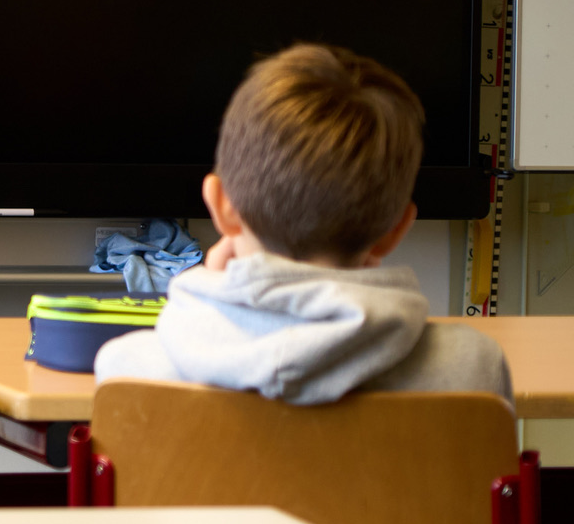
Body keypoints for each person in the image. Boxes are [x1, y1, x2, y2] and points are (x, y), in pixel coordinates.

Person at [95, 43, 511, 404]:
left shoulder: (127, 370)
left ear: (221, 207)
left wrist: (203, 291)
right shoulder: (473, 369)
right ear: (396, 228)